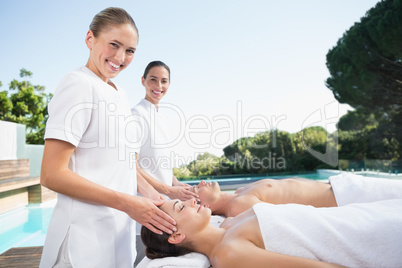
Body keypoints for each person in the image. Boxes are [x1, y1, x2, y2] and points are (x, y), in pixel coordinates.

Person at [39, 8, 176, 268]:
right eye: (113, 44)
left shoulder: (119, 94)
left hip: (117, 235)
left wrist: (155, 197)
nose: (120, 57)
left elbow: (122, 163)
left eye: (130, 51)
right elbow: (51, 174)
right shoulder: (78, 84)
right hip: (81, 242)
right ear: (90, 39)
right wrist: (128, 203)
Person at [141, 197, 402, 268]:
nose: (190, 200)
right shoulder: (229, 254)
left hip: (363, 216)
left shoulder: (228, 225)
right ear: (176, 236)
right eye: (180, 207)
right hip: (369, 237)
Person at [132, 61, 198, 201]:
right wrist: (169, 190)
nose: (159, 86)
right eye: (153, 80)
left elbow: (158, 164)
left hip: (166, 201)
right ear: (143, 81)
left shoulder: (161, 117)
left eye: (164, 81)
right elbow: (132, 167)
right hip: (147, 201)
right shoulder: (137, 115)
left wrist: (175, 183)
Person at [191, 173, 402, 217]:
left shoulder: (239, 193)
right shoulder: (239, 207)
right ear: (204, 206)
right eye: (195, 189)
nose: (201, 182)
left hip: (342, 185)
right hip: (346, 198)